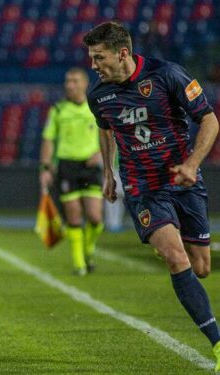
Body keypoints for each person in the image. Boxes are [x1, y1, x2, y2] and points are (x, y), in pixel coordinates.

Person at [84, 22, 220, 369]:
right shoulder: (98, 94)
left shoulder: (167, 75)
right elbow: (106, 130)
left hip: (183, 181)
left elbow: (209, 121)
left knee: (201, 268)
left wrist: (191, 164)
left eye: (99, 57)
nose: (94, 65)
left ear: (123, 53)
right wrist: (108, 174)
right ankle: (218, 344)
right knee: (176, 258)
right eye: (91, 58)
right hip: (143, 188)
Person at [39, 67, 104, 276]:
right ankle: (79, 264)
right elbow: (48, 140)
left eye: (75, 81)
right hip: (67, 166)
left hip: (90, 166)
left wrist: (101, 155)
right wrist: (46, 167)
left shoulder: (96, 108)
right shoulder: (58, 110)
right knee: (74, 218)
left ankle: (88, 249)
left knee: (95, 217)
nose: (70, 85)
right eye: (68, 81)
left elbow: (109, 135)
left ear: (85, 84)